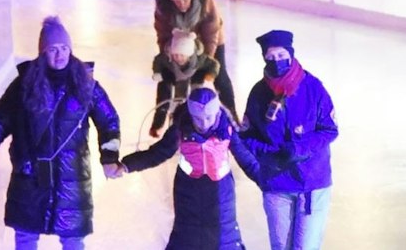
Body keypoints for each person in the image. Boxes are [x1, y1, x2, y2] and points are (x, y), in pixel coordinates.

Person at [0, 17, 124, 250]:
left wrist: (109, 158)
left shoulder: (87, 85)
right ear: (42, 52)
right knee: (26, 234)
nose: (59, 55)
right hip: (30, 174)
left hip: (71, 177)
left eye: (63, 49)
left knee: (72, 238)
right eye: (52, 50)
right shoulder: (24, 86)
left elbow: (109, 122)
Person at [122, 87, 263, 250]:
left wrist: (268, 183)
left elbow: (247, 159)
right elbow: (158, 153)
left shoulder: (227, 130)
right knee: (187, 239)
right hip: (188, 194)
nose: (203, 124)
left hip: (221, 195)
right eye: (197, 118)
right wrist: (127, 165)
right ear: (190, 114)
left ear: (216, 112)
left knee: (224, 237)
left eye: (208, 117)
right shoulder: (180, 129)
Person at [241, 30, 338, 250]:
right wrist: (270, 156)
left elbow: (330, 130)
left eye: (281, 55)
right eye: (271, 57)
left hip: (312, 184)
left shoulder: (314, 88)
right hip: (277, 185)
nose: (277, 61)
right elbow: (246, 135)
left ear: (291, 54)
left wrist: (299, 149)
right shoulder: (258, 93)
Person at [154, 0, 235, 114]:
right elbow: (163, 34)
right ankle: (172, 119)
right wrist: (169, 58)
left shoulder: (206, 2)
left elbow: (211, 34)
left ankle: (233, 115)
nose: (182, 4)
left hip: (210, 41)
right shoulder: (163, 8)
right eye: (177, 1)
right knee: (173, 77)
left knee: (220, 74)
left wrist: (205, 62)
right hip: (178, 45)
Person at [150, 29, 221, 138]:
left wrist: (210, 76)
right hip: (172, 78)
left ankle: (188, 124)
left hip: (193, 80)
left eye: (182, 56)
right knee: (164, 98)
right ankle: (158, 125)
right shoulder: (166, 57)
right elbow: (158, 61)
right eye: (175, 55)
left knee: (191, 100)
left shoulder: (199, 59)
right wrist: (158, 72)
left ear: (189, 54)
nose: (178, 58)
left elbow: (214, 65)